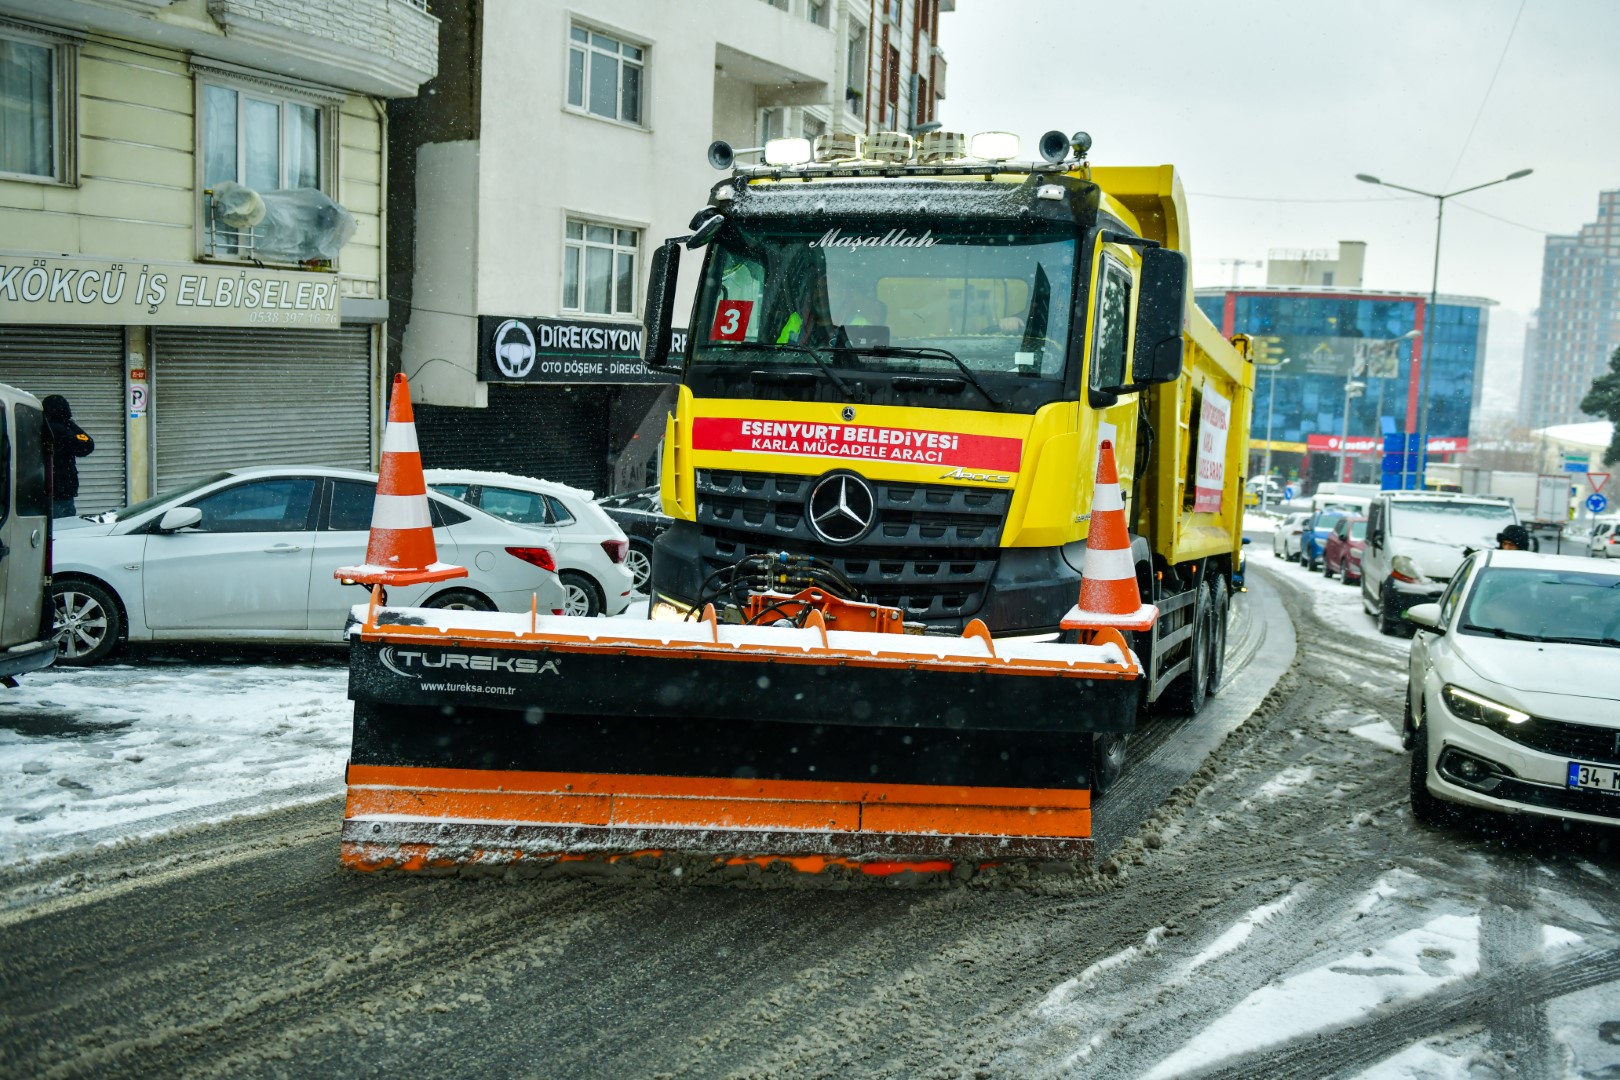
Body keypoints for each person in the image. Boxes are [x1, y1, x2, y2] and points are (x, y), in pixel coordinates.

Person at [42, 395, 94, 519]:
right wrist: (71, 427)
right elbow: (88, 443)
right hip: (62, 491)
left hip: (42, 489)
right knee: (64, 529)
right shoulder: (65, 430)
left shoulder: (40, 426)